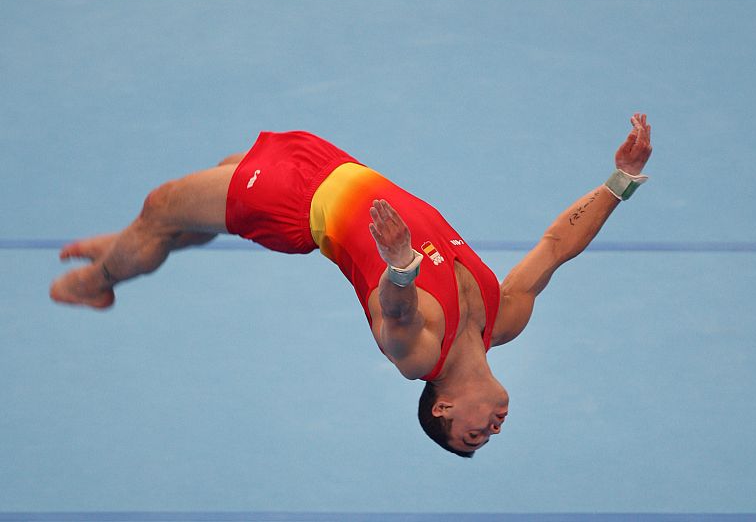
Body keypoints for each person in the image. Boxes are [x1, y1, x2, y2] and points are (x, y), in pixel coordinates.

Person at [50, 113, 653, 457]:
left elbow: (394, 313)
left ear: (441, 407)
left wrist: (399, 265)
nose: (493, 429)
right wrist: (619, 181)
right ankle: (145, 241)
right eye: (489, 434)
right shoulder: (504, 320)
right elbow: (554, 249)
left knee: (161, 205)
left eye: (473, 434)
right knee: (220, 174)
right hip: (340, 166)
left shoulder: (418, 355)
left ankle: (101, 279)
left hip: (300, 203)